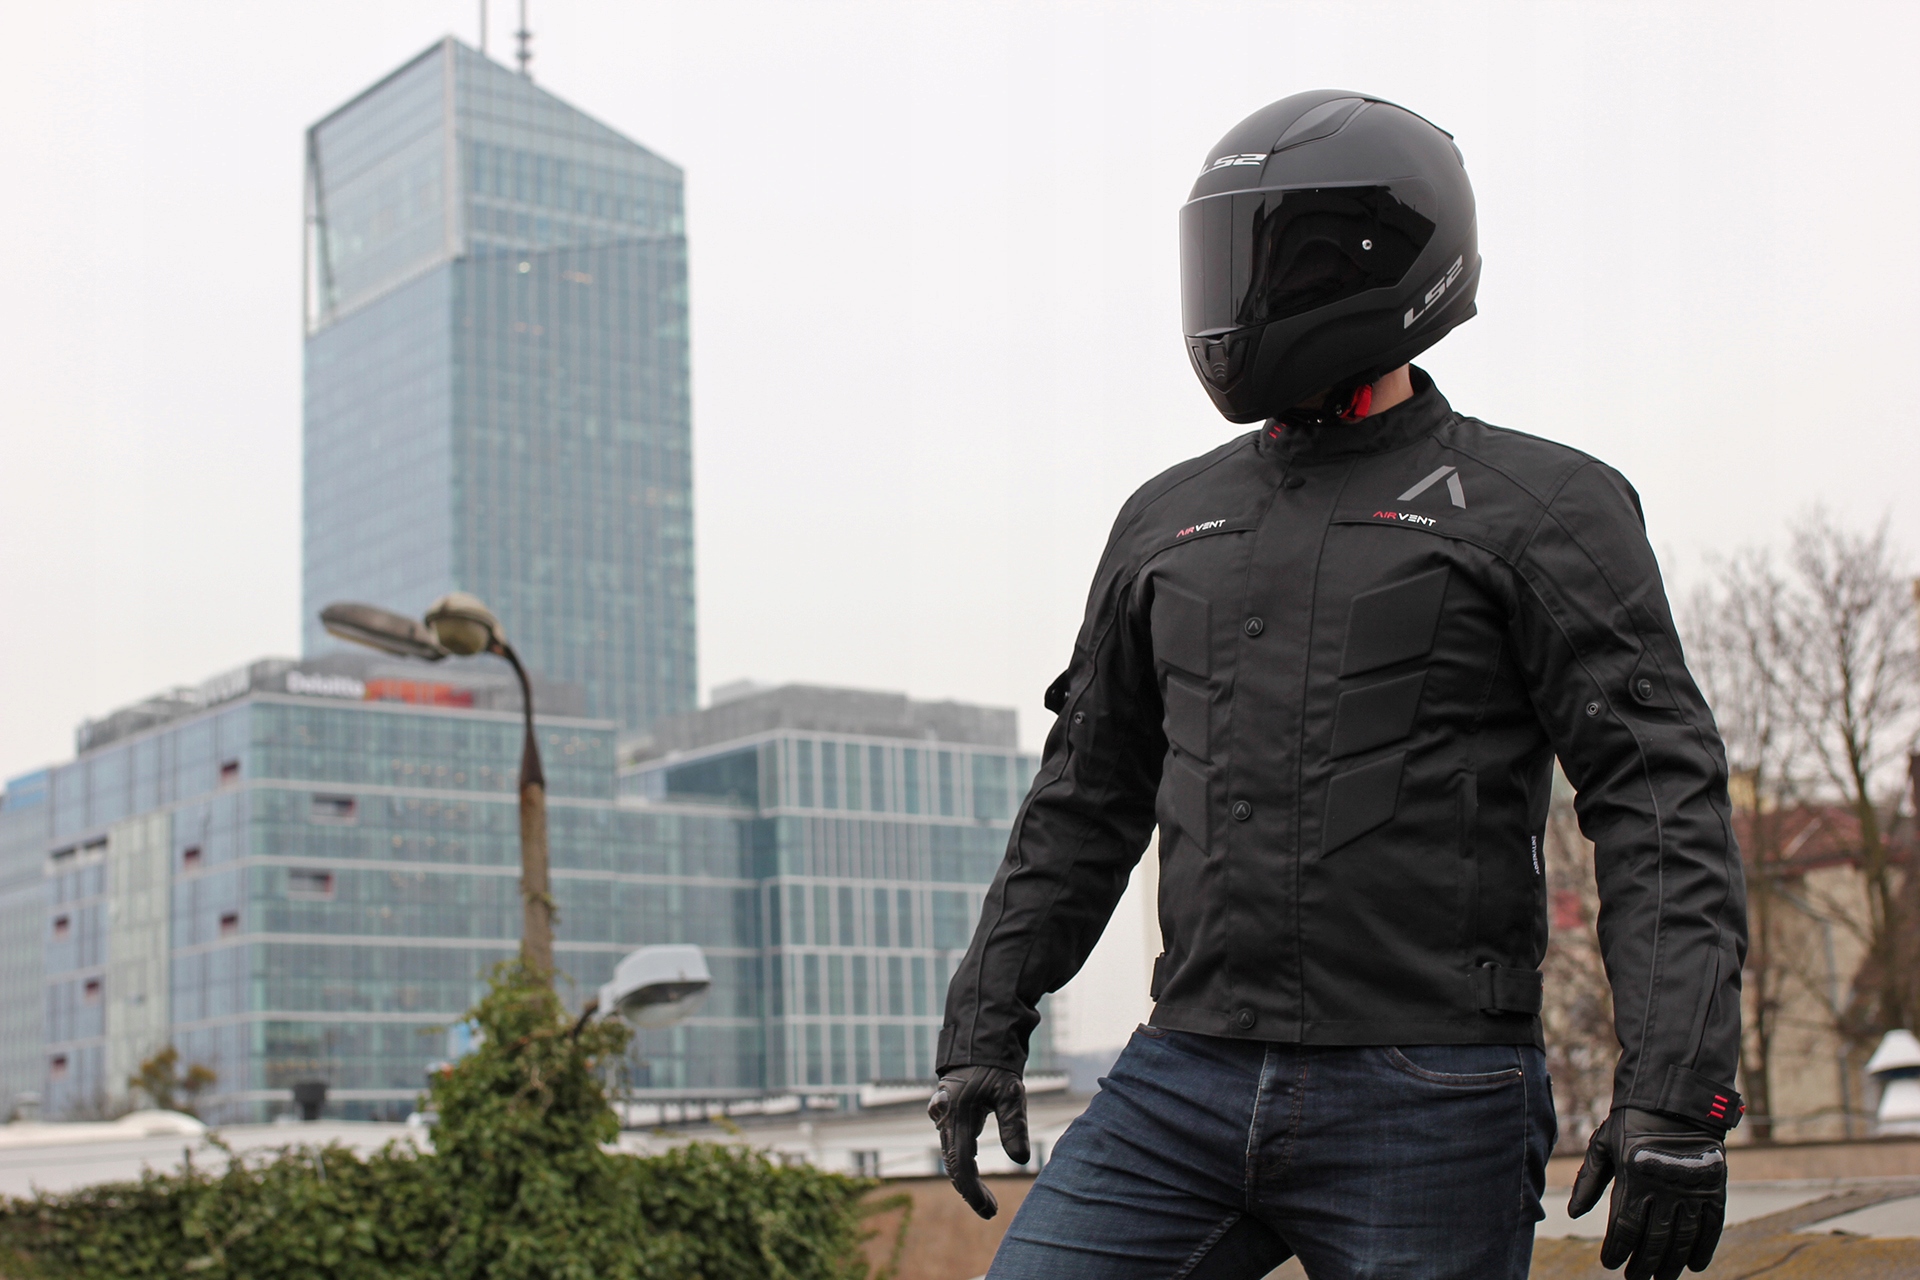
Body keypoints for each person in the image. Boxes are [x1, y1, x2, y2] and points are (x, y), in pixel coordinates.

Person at [928, 91, 1747, 1280]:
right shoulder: (1166, 519)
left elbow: (1657, 794)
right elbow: (1084, 796)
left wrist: (1677, 1090)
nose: (1237, 290)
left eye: (1275, 255)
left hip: (1431, 1089)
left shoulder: (1542, 506)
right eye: (1222, 255)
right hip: (1183, 1075)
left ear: (1389, 260)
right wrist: (983, 1024)